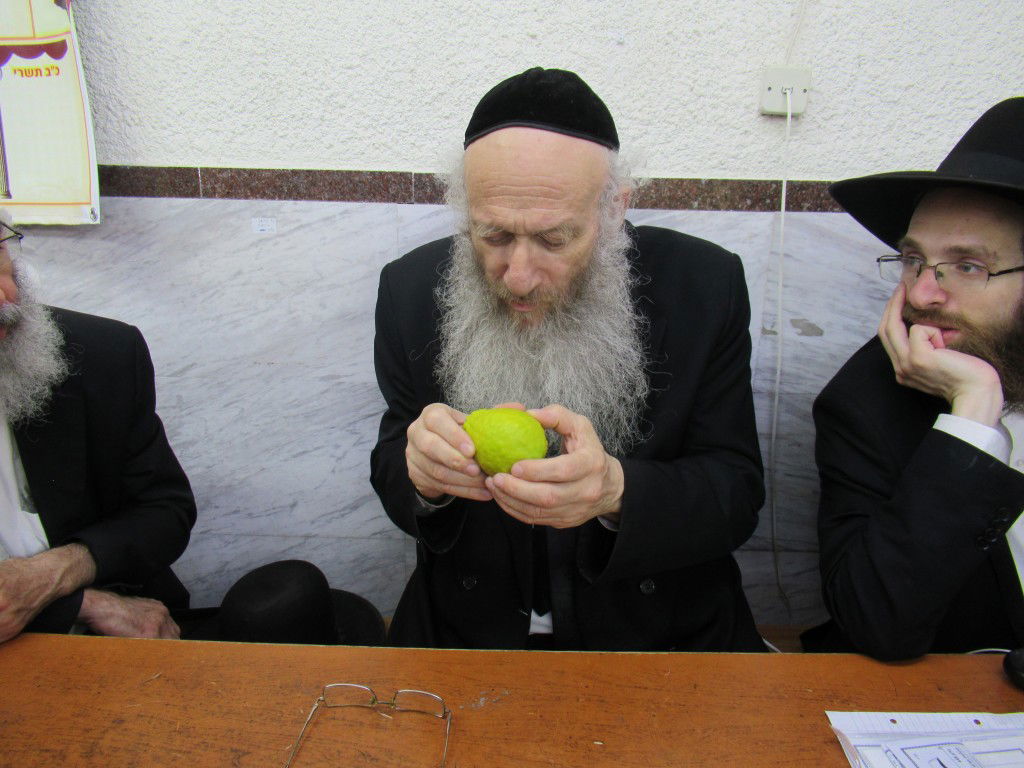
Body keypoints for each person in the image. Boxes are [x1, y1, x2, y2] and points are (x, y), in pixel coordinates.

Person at [370, 67, 765, 651]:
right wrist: (423, 479)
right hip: (466, 633)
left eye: (554, 240)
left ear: (614, 211)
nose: (519, 277)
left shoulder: (705, 286)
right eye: (493, 236)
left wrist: (616, 491)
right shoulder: (408, 290)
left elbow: (735, 490)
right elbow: (389, 462)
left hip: (656, 639)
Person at [0, 217, 386, 645]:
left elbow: (165, 510)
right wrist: (78, 604)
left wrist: (61, 570)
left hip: (129, 635)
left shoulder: (98, 353)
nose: (4, 297)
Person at [806, 97, 1024, 659]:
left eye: (968, 266)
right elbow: (877, 623)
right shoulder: (865, 402)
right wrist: (971, 416)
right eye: (914, 260)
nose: (922, 294)